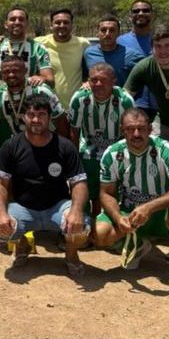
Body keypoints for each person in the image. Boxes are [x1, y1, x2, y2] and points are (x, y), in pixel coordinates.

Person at [95, 108, 169, 295]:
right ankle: (139, 247)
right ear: (122, 130)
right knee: (100, 234)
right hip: (130, 215)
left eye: (141, 128)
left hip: (162, 215)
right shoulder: (112, 153)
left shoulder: (163, 148)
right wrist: (118, 218)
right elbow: (106, 193)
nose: (136, 134)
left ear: (150, 129)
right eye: (130, 129)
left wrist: (149, 207)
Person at [0, 94, 90, 276]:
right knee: (3, 230)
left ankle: (71, 255)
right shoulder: (11, 146)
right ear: (23, 117)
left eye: (42, 114)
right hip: (23, 207)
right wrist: (1, 213)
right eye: (31, 114)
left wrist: (76, 210)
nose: (36, 119)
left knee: (81, 227)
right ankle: (22, 245)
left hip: (57, 207)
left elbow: (79, 182)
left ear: (50, 117)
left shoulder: (65, 146)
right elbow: (0, 183)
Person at [67, 63, 134, 221]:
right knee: (82, 183)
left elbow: (131, 131)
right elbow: (74, 131)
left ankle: (108, 221)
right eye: (93, 80)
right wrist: (74, 160)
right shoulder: (79, 98)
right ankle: (82, 223)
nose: (98, 84)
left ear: (113, 81)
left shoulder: (125, 100)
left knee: (112, 188)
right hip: (88, 147)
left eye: (103, 80)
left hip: (116, 148)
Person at [0, 54, 64, 150]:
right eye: (6, 72)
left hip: (43, 148)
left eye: (15, 71)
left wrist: (61, 149)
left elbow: (61, 119)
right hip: (11, 151)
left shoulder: (42, 91)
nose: (11, 75)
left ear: (25, 71)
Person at [37, 8, 90, 108]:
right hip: (49, 107)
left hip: (77, 106)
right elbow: (17, 42)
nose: (62, 25)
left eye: (66, 22)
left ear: (72, 25)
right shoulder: (39, 43)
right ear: (51, 25)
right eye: (57, 22)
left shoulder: (83, 44)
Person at [0, 7, 53, 87]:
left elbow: (50, 80)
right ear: (6, 24)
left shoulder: (38, 48)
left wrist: (42, 78)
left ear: (27, 24)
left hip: (31, 97)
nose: (17, 22)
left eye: (21, 19)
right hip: (3, 97)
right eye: (13, 19)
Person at [117, 0, 158, 123]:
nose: (141, 13)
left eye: (146, 10)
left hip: (159, 105)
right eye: (136, 11)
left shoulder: (161, 40)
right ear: (130, 17)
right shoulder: (120, 42)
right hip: (130, 104)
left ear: (152, 15)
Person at [83, 16, 145, 87]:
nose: (107, 34)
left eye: (112, 30)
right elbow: (85, 77)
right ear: (98, 33)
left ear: (118, 33)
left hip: (122, 97)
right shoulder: (89, 53)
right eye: (103, 30)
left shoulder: (132, 55)